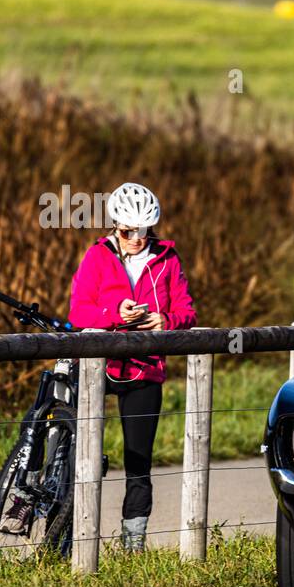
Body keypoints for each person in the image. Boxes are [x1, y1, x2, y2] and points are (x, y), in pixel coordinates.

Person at [67, 182, 197, 552]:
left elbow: (188, 311)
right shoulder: (96, 257)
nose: (136, 239)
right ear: (115, 227)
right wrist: (114, 315)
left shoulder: (168, 259)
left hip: (144, 369)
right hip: (99, 366)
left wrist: (164, 320)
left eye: (142, 231)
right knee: (82, 450)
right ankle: (76, 534)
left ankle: (133, 540)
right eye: (127, 232)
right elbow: (78, 312)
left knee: (138, 458)